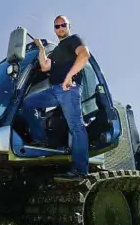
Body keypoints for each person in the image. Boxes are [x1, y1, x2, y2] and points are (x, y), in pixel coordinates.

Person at [21, 15, 91, 177]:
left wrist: (69, 76)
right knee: (28, 102)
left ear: (69, 26)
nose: (60, 28)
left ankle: (80, 170)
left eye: (63, 25)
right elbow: (45, 66)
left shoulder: (74, 39)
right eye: (57, 26)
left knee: (76, 128)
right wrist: (41, 49)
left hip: (69, 90)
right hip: (54, 90)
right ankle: (41, 139)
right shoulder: (58, 50)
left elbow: (84, 55)